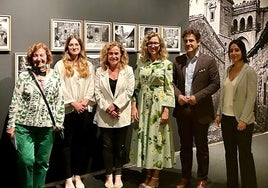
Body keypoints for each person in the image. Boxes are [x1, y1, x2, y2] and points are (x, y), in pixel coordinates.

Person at [6, 42, 65, 188]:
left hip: (47, 128)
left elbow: (59, 101)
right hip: (24, 127)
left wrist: (59, 122)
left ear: (47, 57)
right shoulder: (24, 76)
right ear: (31, 58)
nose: (38, 58)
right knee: (26, 161)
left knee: (42, 163)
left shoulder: (55, 77)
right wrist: (11, 125)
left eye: (41, 55)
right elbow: (16, 101)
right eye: (35, 55)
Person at [173, 28, 220, 188]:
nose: (188, 43)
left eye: (191, 40)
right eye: (186, 41)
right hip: (183, 111)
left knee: (202, 147)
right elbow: (171, 83)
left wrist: (197, 97)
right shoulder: (178, 61)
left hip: (201, 111)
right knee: (185, 147)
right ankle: (185, 177)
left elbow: (215, 84)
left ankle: (202, 179)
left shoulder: (209, 61)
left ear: (198, 42)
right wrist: (178, 95)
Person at [130, 32, 175, 188]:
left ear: (160, 45)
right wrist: (133, 106)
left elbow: (169, 89)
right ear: (146, 46)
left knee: (157, 141)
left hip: (158, 106)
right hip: (143, 107)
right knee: (146, 140)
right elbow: (134, 87)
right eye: (150, 43)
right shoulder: (142, 64)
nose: (153, 46)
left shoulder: (166, 64)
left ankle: (155, 179)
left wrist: (166, 110)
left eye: (156, 43)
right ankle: (148, 175)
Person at [54, 35, 95, 188]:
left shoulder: (88, 65)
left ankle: (78, 176)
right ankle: (67, 177)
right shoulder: (60, 65)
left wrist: (84, 102)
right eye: (71, 45)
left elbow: (92, 84)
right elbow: (59, 86)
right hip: (67, 110)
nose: (74, 47)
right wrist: (73, 103)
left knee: (82, 143)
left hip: (84, 109)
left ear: (81, 47)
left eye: (76, 44)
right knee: (66, 144)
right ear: (67, 47)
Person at [215, 39, 258, 188]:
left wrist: (244, 120)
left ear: (243, 52)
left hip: (242, 121)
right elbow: (224, 94)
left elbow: (251, 98)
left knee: (245, 156)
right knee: (230, 156)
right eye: (231, 50)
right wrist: (219, 113)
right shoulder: (228, 70)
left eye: (237, 50)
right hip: (227, 119)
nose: (234, 53)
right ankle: (232, 184)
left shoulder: (249, 71)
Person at [94, 41, 135, 188]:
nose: (113, 56)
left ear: (121, 55)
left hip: (121, 114)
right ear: (106, 55)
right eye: (110, 53)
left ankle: (118, 175)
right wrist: (108, 108)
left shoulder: (128, 70)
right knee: (106, 147)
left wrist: (116, 106)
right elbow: (97, 93)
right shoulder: (100, 71)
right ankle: (108, 176)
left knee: (119, 147)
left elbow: (129, 91)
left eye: (116, 53)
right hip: (105, 115)